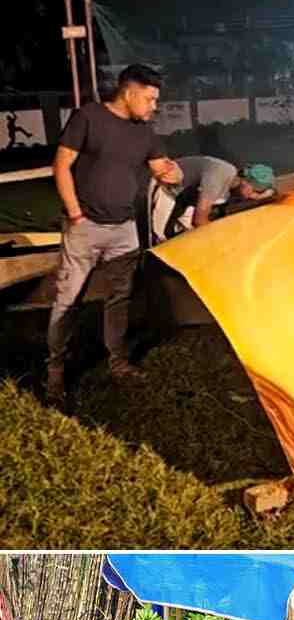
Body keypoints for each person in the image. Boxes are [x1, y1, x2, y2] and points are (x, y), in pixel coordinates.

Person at [46, 63, 181, 406]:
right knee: (68, 299)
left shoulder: (145, 132)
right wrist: (75, 213)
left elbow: (164, 169)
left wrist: (174, 173)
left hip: (124, 230)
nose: (154, 106)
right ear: (129, 92)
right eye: (150, 99)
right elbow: (61, 165)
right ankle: (56, 370)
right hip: (85, 227)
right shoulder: (89, 117)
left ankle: (118, 362)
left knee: (119, 298)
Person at [149, 156, 276, 242]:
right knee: (159, 237)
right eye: (256, 191)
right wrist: (223, 239)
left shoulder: (232, 185)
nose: (254, 196)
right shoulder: (219, 178)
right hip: (166, 187)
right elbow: (199, 220)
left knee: (187, 236)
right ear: (245, 182)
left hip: (186, 198)